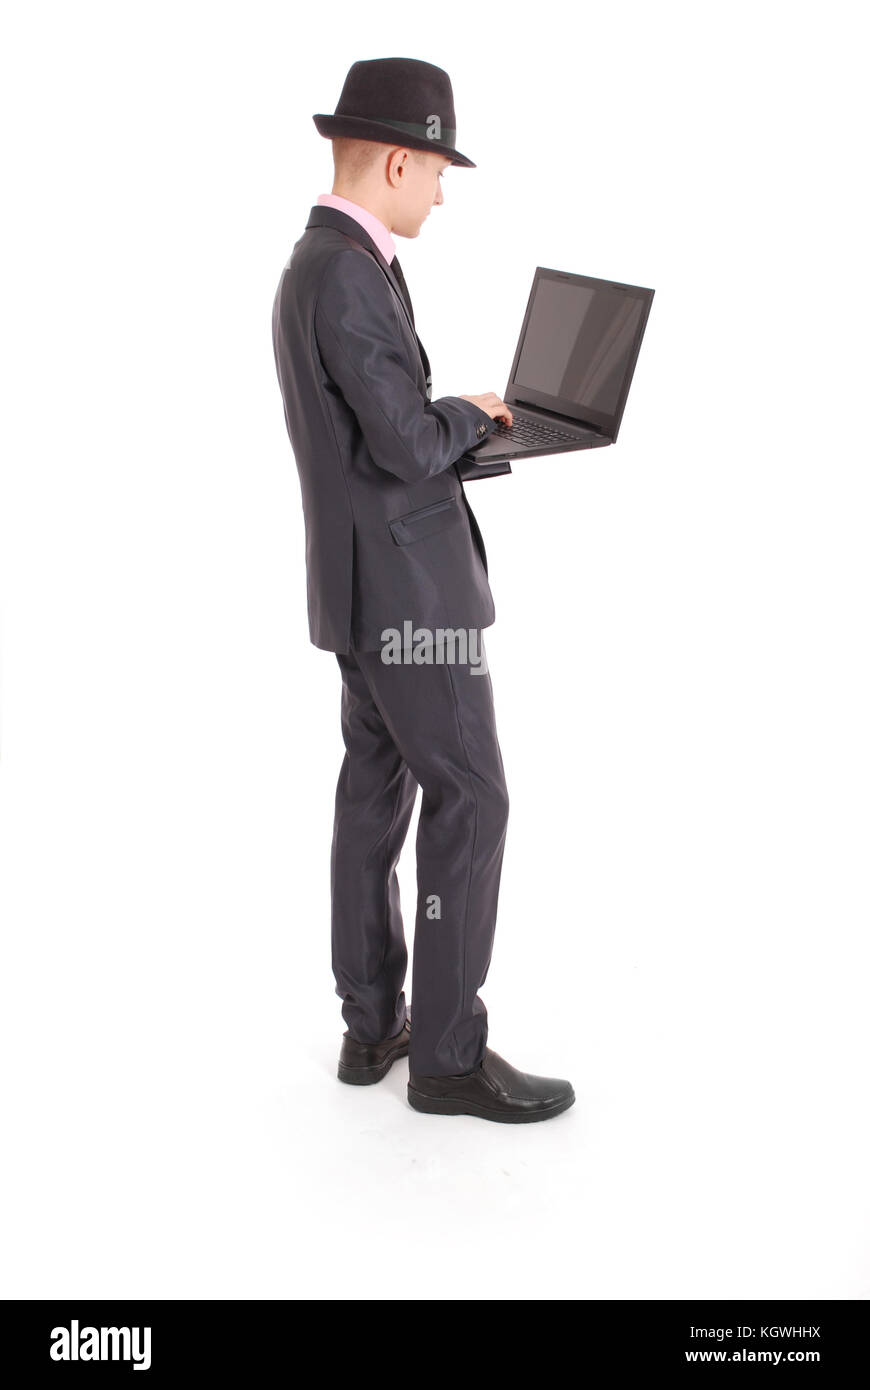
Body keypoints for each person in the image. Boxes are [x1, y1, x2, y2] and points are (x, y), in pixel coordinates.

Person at [271, 57, 574, 1122]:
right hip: (412, 604)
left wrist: (461, 429)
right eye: (439, 171)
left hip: (362, 591)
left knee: (375, 794)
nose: (441, 193)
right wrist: (472, 417)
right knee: (472, 797)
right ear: (399, 161)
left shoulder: (324, 260)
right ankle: (445, 1053)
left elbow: (370, 438)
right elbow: (404, 441)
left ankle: (373, 1024)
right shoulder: (348, 272)